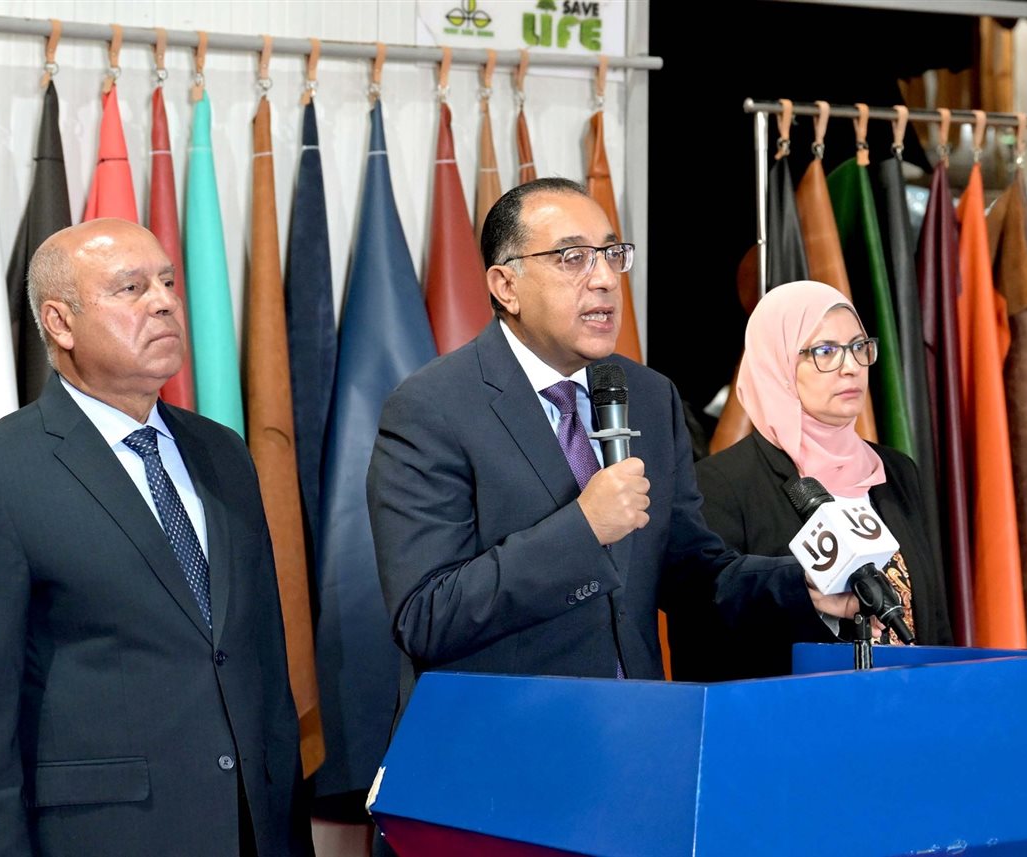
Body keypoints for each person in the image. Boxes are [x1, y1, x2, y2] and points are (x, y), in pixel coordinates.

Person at [0, 219, 312, 857]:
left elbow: (260, 666)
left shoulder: (223, 453)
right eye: (131, 288)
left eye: (168, 282)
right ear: (60, 323)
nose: (164, 302)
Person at [366, 178, 857, 699]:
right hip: (507, 733)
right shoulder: (432, 408)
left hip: (634, 722)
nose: (604, 278)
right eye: (572, 258)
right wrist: (584, 528)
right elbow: (426, 615)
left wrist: (802, 585)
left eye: (611, 254)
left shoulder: (648, 394)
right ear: (506, 286)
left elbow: (689, 571)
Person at [690, 279, 953, 681]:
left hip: (912, 703)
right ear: (777, 364)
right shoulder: (723, 484)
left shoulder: (897, 471)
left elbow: (932, 613)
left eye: (859, 347)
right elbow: (708, 624)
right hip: (796, 710)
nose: (851, 366)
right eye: (825, 351)